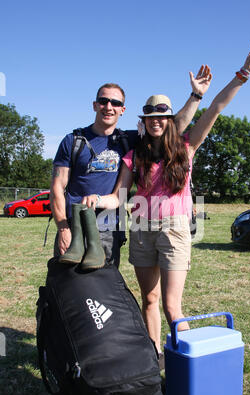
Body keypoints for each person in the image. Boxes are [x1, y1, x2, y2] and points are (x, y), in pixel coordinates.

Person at [83, 39, 250, 363]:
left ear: (169, 119)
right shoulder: (134, 154)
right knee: (149, 300)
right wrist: (98, 199)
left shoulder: (186, 146)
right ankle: (153, 363)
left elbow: (216, 108)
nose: (156, 119)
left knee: (171, 305)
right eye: (150, 114)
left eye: (162, 115)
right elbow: (118, 196)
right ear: (145, 120)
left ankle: (182, 368)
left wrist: (243, 74)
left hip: (174, 229)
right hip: (141, 229)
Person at [50, 76, 208, 268]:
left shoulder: (130, 141)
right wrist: (63, 227)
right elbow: (57, 187)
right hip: (74, 225)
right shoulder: (73, 141)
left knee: (104, 289)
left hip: (109, 229)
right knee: (67, 286)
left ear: (122, 110)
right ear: (95, 105)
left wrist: (196, 95)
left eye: (115, 103)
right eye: (103, 101)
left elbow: (172, 126)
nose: (108, 106)